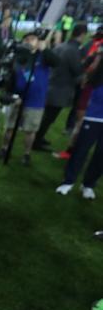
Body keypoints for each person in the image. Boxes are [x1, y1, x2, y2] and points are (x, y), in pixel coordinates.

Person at [0, 29, 59, 165]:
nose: (29, 41)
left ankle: (26, 153)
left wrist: (45, 49)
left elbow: (56, 62)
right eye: (27, 39)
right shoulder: (18, 56)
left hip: (36, 101)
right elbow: (9, 78)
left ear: (38, 41)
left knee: (30, 130)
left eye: (32, 39)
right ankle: (4, 148)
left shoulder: (43, 56)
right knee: (9, 127)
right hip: (17, 99)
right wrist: (12, 95)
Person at [55, 43, 103, 200]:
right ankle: (68, 181)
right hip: (93, 116)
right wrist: (81, 114)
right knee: (81, 150)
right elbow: (86, 91)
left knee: (101, 155)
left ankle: (88, 185)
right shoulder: (96, 71)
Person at [33, 23, 88, 151]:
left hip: (51, 85)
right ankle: (37, 141)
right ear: (82, 34)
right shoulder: (73, 51)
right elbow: (77, 70)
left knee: (46, 116)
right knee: (49, 118)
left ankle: (39, 137)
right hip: (61, 90)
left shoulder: (62, 46)